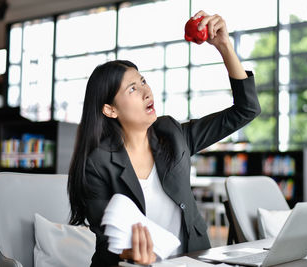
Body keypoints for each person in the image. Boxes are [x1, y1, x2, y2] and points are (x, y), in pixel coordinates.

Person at [67, 10, 261, 267]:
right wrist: (132, 254)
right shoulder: (97, 163)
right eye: (133, 88)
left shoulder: (171, 133)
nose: (147, 91)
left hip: (192, 260)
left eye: (143, 81)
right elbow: (108, 240)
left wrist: (224, 46)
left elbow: (246, 110)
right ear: (110, 110)